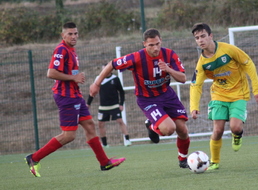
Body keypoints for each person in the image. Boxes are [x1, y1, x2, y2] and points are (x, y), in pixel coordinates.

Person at [24, 22, 125, 177]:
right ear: (62, 35)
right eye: (70, 34)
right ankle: (34, 158)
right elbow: (51, 73)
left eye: (76, 33)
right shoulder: (61, 50)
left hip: (75, 95)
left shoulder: (72, 50)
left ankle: (104, 162)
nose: (73, 36)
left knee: (90, 126)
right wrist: (73, 77)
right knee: (69, 135)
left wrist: (75, 79)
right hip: (66, 97)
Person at [90, 28, 191, 168]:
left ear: (161, 41)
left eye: (157, 44)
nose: (155, 48)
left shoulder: (169, 54)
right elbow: (112, 64)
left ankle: (183, 159)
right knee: (169, 129)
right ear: (144, 44)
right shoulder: (136, 57)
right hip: (147, 99)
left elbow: (183, 78)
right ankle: (151, 125)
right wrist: (96, 83)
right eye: (151, 45)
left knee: (183, 130)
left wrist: (168, 70)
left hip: (167, 95)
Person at [190, 23, 258, 170]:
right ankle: (214, 162)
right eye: (197, 38)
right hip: (218, 95)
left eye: (203, 36)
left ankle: (238, 135)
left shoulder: (228, 49)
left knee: (235, 127)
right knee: (217, 130)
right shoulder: (202, 63)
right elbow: (196, 85)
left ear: (211, 36)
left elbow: (249, 64)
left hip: (239, 94)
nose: (200, 40)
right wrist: (194, 107)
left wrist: (256, 89)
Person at [87, 64, 132, 147]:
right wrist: (88, 103)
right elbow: (93, 91)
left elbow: (121, 92)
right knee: (100, 124)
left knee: (120, 121)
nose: (104, 71)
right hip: (103, 106)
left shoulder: (115, 79)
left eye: (106, 69)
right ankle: (104, 144)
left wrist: (121, 104)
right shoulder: (98, 79)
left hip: (114, 105)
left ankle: (127, 139)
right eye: (103, 70)